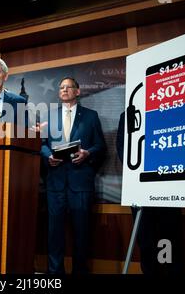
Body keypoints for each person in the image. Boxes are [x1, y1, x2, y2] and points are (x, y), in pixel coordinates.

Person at [41, 77, 106, 274]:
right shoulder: (49, 117)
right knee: (54, 235)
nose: (64, 90)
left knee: (82, 234)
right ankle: (54, 275)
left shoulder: (91, 116)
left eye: (69, 87)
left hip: (81, 183)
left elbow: (100, 146)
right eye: (61, 87)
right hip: (55, 183)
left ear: (77, 91)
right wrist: (48, 156)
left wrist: (87, 153)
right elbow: (42, 143)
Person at [116, 111, 185, 275]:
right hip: (139, 189)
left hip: (167, 189)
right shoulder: (127, 114)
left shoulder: (171, 109)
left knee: (168, 237)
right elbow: (122, 148)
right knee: (145, 240)